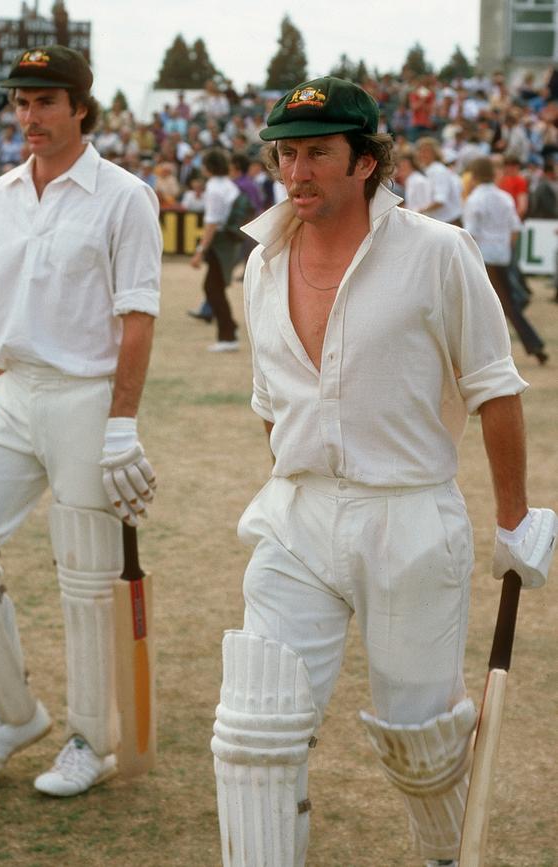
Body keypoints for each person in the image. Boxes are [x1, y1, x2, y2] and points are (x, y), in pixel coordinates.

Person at [210, 76, 557, 867]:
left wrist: (515, 519)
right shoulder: (261, 264)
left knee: (422, 744)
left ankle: (443, 855)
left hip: (408, 519)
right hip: (294, 518)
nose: (297, 171)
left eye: (318, 153)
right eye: (286, 153)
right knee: (253, 730)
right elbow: (271, 402)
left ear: (366, 161)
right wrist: (302, 474)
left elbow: (493, 389)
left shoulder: (438, 252)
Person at [0, 45, 161, 797]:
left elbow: (138, 316)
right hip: (16, 395)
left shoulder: (123, 196)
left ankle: (92, 737)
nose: (29, 117)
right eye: (20, 103)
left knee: (86, 575)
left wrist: (122, 422)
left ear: (81, 106)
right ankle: (14, 713)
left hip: (88, 396)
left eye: (45, 102)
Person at [463, 157, 548, 365]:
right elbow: (515, 230)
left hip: (483, 256)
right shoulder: (504, 198)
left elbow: (469, 233)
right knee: (500, 303)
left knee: (503, 305)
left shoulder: (475, 199)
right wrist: (504, 249)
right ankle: (531, 346)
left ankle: (534, 345)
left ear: (474, 175)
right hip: (502, 255)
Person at [189, 148, 245, 351]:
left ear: (208, 167)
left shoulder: (213, 188)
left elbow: (212, 223)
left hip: (220, 243)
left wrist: (200, 251)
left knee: (213, 289)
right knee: (216, 287)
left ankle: (228, 337)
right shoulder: (228, 184)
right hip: (231, 241)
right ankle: (230, 327)